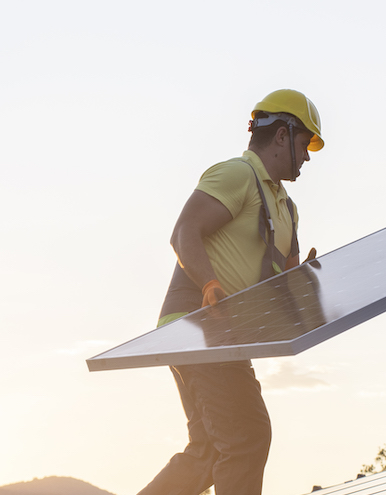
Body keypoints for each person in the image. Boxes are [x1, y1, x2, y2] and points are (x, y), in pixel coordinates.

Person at [139, 89, 324, 495]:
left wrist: (303, 277)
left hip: (223, 334)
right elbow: (184, 231)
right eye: (304, 142)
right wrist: (209, 283)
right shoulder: (237, 174)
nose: (309, 156)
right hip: (197, 325)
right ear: (281, 136)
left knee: (207, 452)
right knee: (248, 437)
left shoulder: (287, 209)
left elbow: (281, 283)